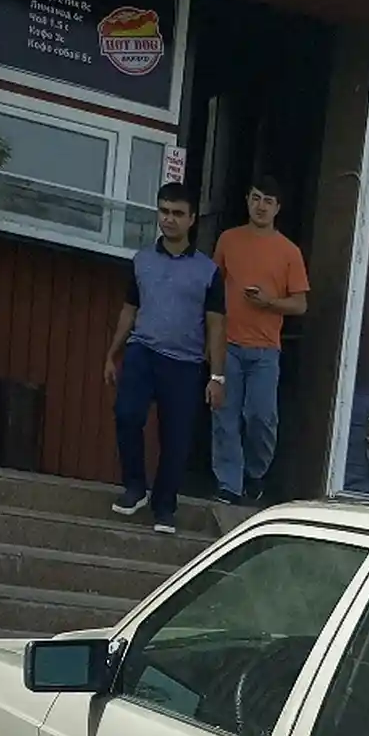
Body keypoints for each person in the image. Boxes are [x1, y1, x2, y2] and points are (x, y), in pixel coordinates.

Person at [105, 185, 226, 534]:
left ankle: (164, 507)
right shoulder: (142, 260)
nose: (169, 219)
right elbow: (130, 310)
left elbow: (218, 326)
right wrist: (112, 353)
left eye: (176, 213)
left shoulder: (209, 272)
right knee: (127, 415)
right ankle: (134, 486)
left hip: (185, 363)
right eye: (163, 211)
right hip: (142, 351)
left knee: (176, 439)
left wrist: (217, 377)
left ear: (191, 220)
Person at [211, 176, 309, 506]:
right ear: (247, 200)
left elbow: (300, 303)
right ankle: (229, 484)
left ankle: (255, 474)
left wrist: (270, 302)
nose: (261, 205)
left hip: (266, 349)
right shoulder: (228, 240)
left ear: (278, 207)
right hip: (228, 344)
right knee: (224, 416)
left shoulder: (289, 252)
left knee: (261, 417)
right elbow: (213, 291)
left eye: (268, 200)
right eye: (256, 198)